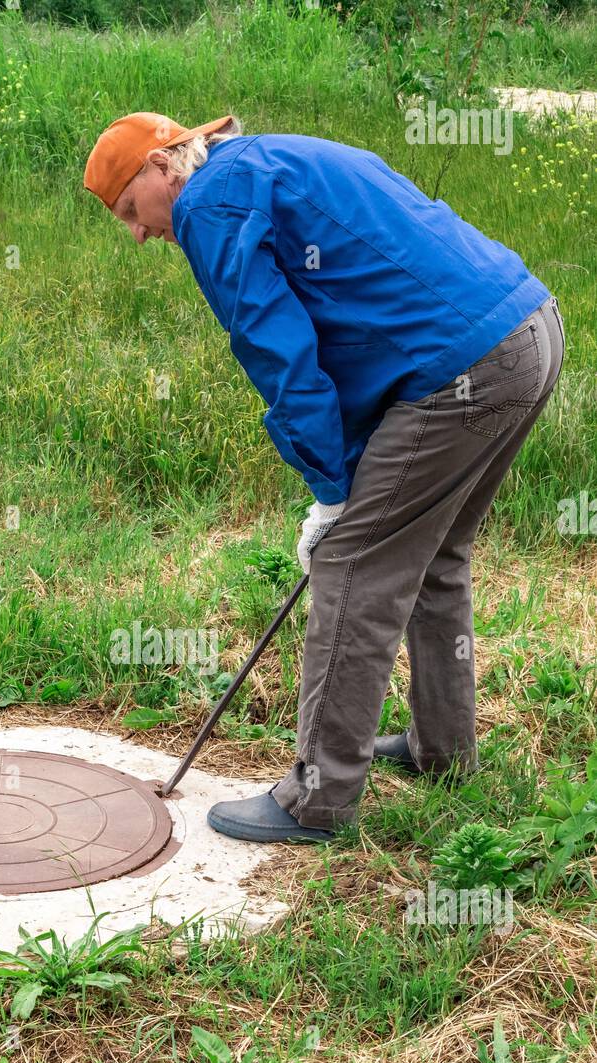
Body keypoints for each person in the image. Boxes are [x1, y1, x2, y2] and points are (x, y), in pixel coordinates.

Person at [83, 112, 566, 843]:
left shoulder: (209, 204)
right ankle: (443, 750)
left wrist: (331, 489)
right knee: (434, 558)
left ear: (161, 169)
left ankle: (317, 798)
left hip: (461, 365)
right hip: (523, 329)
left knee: (353, 568)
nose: (140, 234)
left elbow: (281, 355)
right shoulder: (262, 161)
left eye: (129, 211)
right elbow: (366, 300)